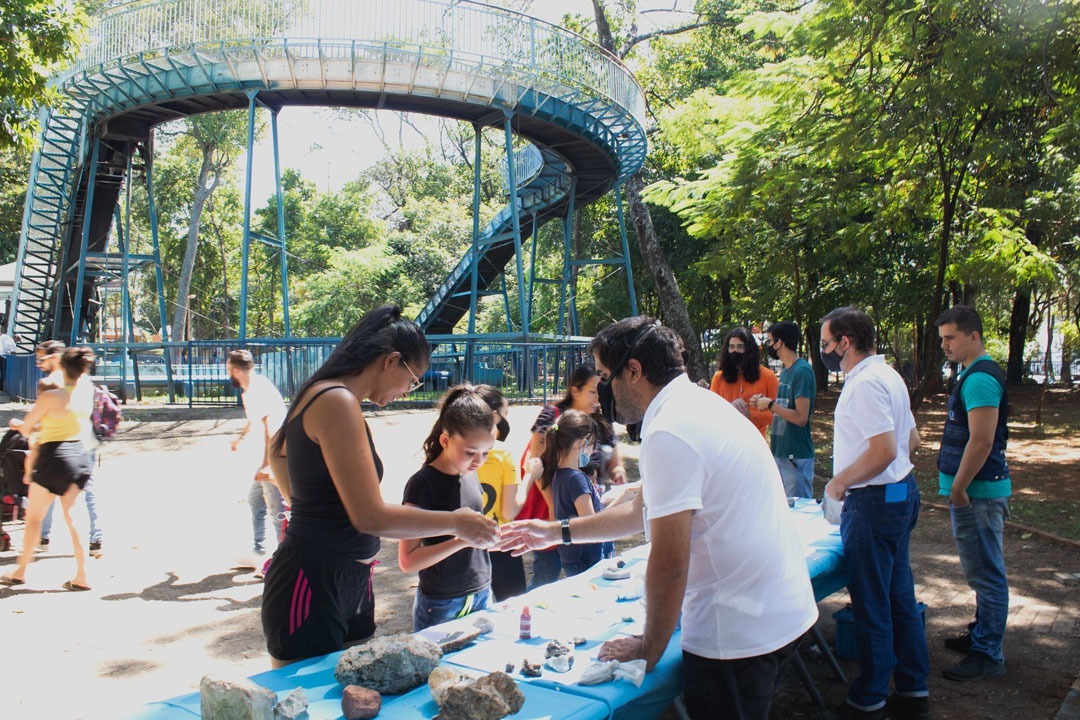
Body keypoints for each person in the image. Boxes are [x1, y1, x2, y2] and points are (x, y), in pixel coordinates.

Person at [500, 316, 818, 720]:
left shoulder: (670, 430)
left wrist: (649, 649)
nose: (602, 392)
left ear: (633, 371)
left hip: (738, 629)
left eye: (603, 377)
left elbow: (669, 564)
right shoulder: (697, 405)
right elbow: (639, 512)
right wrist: (555, 531)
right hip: (772, 610)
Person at [260, 304, 497, 667]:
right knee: (307, 699)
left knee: (356, 692)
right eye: (413, 379)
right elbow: (370, 518)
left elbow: (277, 451)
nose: (408, 391)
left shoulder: (330, 396)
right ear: (391, 361)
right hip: (313, 579)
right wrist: (456, 523)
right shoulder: (336, 400)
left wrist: (310, 508)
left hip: (349, 578)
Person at [819, 306, 930, 720]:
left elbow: (884, 450)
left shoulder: (865, 384)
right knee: (899, 598)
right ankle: (913, 690)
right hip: (899, 495)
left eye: (828, 344)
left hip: (873, 502)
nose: (826, 351)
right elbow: (911, 440)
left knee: (872, 604)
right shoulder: (890, 375)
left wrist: (840, 482)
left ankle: (870, 698)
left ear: (846, 342)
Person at [936, 305, 1010, 682]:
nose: (945, 345)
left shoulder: (980, 379)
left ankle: (987, 654)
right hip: (973, 492)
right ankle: (981, 634)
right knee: (981, 571)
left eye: (950, 338)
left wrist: (960, 488)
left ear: (973, 336)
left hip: (978, 493)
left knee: (986, 573)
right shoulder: (970, 374)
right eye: (942, 339)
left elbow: (981, 441)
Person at [519, 364, 627, 588]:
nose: (597, 397)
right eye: (592, 391)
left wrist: (617, 472)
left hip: (585, 504)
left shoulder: (600, 421)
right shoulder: (554, 416)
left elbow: (615, 462)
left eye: (600, 390)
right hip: (561, 509)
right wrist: (554, 508)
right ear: (575, 390)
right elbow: (536, 463)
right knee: (547, 574)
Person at [399, 386, 496, 630]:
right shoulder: (422, 484)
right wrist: (462, 540)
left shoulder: (469, 472)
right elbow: (407, 561)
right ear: (445, 440)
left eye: (485, 453)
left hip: (482, 590)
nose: (478, 461)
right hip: (441, 601)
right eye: (471, 452)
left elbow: (476, 538)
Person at [1, 347, 96, 591]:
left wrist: (20, 424)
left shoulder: (52, 397)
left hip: (52, 457)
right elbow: (76, 372)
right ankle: (82, 575)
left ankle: (21, 571)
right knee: (74, 518)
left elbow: (27, 427)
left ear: (62, 366)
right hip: (79, 456)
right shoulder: (86, 388)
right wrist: (60, 361)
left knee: (34, 518)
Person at [35, 340, 104, 558]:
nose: (39, 362)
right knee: (85, 492)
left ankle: (43, 537)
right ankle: (95, 537)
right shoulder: (82, 380)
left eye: (42, 358)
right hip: (85, 442)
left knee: (50, 491)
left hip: (63, 444)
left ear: (55, 357)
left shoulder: (56, 383)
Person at [474, 384, 540, 601]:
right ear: (494, 416)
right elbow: (509, 510)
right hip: (499, 543)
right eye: (505, 414)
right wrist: (531, 475)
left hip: (466, 547)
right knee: (511, 609)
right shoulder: (502, 453)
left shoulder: (454, 451)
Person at [227, 349, 288, 561]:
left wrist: (267, 465)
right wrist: (241, 438)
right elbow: (255, 421)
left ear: (235, 370)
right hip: (271, 456)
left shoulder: (256, 390)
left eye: (229, 370)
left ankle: (284, 558)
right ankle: (259, 550)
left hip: (274, 457)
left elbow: (269, 429)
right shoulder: (251, 387)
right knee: (256, 500)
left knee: (276, 508)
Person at [539, 408, 609, 576]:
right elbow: (591, 522)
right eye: (592, 444)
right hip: (587, 558)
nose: (593, 450)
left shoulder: (559, 473)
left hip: (572, 556)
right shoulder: (577, 478)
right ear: (581, 443)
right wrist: (621, 503)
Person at [751, 321, 817, 498]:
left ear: (780, 342)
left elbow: (801, 417)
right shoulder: (787, 371)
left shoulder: (801, 372)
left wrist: (771, 405)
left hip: (796, 456)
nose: (769, 346)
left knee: (800, 514)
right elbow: (784, 409)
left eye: (771, 341)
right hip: (781, 452)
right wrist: (765, 402)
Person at [708, 327, 778, 438]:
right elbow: (711, 413)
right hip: (726, 441)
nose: (735, 351)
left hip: (755, 441)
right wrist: (729, 409)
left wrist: (750, 415)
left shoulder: (768, 376)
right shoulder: (718, 377)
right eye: (731, 347)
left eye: (740, 347)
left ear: (749, 350)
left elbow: (777, 415)